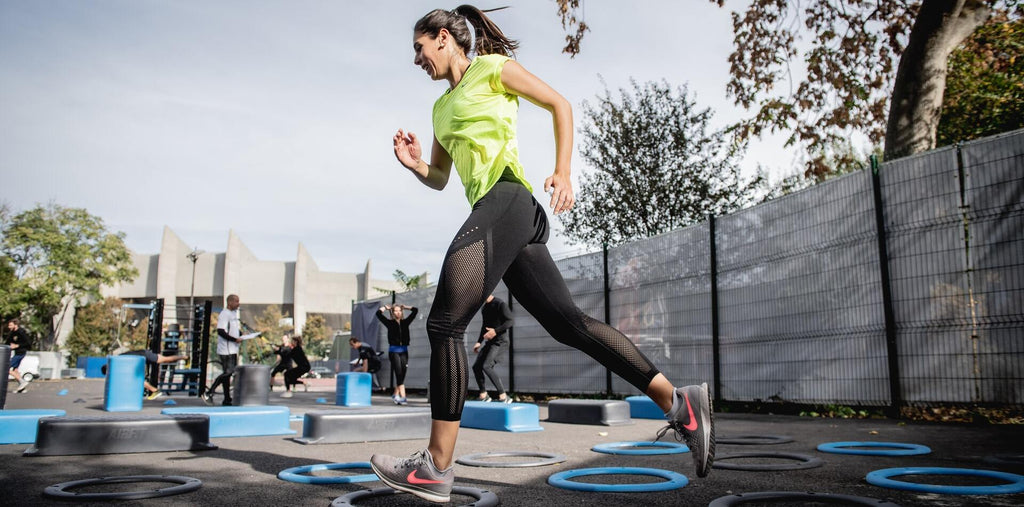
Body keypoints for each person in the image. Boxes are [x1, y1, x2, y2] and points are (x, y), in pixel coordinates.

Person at [369, 6, 714, 503]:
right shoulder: (440, 110)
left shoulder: (490, 69)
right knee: (568, 324)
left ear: (443, 38)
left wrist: (563, 170)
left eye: (419, 48)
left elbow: (560, 104)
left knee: (445, 324)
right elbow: (442, 178)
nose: (417, 59)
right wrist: (415, 163)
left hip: (508, 198)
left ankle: (435, 466)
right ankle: (680, 404)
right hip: (501, 216)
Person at [472, 294, 513, 403]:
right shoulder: (485, 307)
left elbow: (510, 321)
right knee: (476, 367)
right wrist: (478, 342)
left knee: (487, 366)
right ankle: (483, 394)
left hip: (500, 342)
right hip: (490, 342)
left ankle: (504, 396)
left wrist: (495, 331)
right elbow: (484, 326)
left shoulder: (500, 304)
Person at [203, 294, 242, 406]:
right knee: (228, 372)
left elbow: (233, 330)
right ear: (230, 302)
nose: (238, 304)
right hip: (226, 349)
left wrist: (240, 335)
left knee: (228, 374)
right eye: (236, 301)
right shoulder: (224, 314)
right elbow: (221, 331)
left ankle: (227, 399)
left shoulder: (233, 314)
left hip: (233, 349)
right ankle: (209, 392)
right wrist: (234, 339)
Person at [103, 349, 189, 400]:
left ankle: (155, 390)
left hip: (144, 355)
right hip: (143, 355)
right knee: (164, 359)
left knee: (164, 359)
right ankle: (185, 357)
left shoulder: (117, 362)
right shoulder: (116, 360)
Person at [377, 303, 418, 404]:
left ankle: (395, 394)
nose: (398, 312)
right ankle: (403, 397)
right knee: (399, 373)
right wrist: (385, 308)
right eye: (395, 311)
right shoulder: (389, 323)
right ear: (392, 312)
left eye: (400, 310)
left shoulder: (406, 322)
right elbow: (378, 314)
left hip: (404, 351)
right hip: (394, 351)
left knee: (403, 373)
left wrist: (406, 306)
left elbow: (415, 310)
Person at [6, 319, 32, 393]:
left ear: (15, 325)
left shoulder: (21, 332)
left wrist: (17, 345)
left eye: (10, 325)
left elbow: (28, 343)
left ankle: (22, 381)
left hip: (21, 352)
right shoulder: (12, 333)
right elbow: (7, 343)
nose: (9, 327)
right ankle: (22, 388)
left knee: (6, 368)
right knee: (15, 370)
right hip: (16, 353)